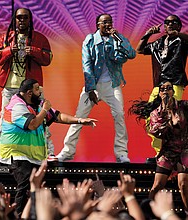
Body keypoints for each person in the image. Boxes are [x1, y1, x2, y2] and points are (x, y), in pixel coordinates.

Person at [0, 78, 97, 217]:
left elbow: (57, 116)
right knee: (25, 185)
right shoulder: (16, 105)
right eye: (37, 89)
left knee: (34, 188)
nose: (40, 92)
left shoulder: (37, 105)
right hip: (17, 153)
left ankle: (33, 215)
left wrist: (80, 120)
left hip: (32, 156)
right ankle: (18, 216)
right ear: (28, 93)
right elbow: (32, 124)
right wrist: (44, 110)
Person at [56, 13, 136, 163]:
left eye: (110, 22)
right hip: (94, 84)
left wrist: (119, 38)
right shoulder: (91, 40)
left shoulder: (116, 39)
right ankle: (67, 151)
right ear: (97, 25)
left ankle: (121, 153)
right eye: (104, 22)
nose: (108, 25)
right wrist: (91, 89)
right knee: (79, 117)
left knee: (119, 115)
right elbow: (86, 64)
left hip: (113, 85)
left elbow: (131, 54)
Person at [0, 8, 54, 155]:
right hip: (11, 85)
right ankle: (1, 150)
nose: (22, 20)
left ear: (30, 20)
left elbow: (48, 58)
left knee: (42, 117)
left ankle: (49, 152)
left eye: (25, 17)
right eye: (19, 17)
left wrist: (34, 51)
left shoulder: (39, 38)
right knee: (5, 117)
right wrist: (9, 50)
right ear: (14, 20)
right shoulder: (5, 37)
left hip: (32, 87)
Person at [129, 80, 188, 216]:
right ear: (160, 93)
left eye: (169, 88)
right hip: (168, 151)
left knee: (183, 184)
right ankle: (146, 213)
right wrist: (168, 121)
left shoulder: (184, 106)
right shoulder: (156, 113)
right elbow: (155, 131)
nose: (166, 91)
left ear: (173, 92)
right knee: (157, 185)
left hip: (185, 149)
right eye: (163, 89)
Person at [136, 14, 188, 157]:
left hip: (175, 83)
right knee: (151, 117)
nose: (170, 25)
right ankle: (160, 151)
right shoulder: (159, 42)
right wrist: (147, 34)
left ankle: (169, 152)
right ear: (164, 26)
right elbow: (139, 50)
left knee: (171, 117)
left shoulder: (182, 41)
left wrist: (178, 34)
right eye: (167, 23)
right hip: (159, 86)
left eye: (173, 22)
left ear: (179, 25)